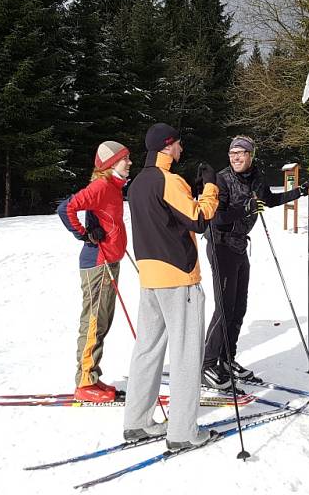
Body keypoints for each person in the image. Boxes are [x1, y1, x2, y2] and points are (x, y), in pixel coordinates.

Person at [122, 122, 220, 449]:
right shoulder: (169, 180)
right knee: (186, 353)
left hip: (150, 277)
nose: (181, 149)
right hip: (179, 278)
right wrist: (210, 186)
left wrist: (189, 188)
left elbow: (167, 215)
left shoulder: (137, 183)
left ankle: (137, 422)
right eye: (178, 144)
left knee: (147, 349)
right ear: (167, 146)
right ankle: (183, 433)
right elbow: (199, 219)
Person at [201, 135, 309, 389]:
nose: (236, 157)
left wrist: (299, 192)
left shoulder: (256, 177)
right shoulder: (221, 179)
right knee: (224, 307)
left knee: (239, 306)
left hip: (239, 245)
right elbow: (217, 219)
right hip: (220, 245)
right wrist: (246, 208)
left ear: (251, 155)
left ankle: (227, 360)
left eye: (241, 153)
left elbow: (268, 201)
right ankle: (207, 365)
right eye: (232, 153)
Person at [58, 141, 132, 403]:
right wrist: (84, 234)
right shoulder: (101, 186)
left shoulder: (112, 187)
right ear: (111, 163)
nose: (130, 162)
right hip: (98, 264)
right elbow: (65, 208)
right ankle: (84, 382)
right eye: (125, 159)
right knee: (93, 322)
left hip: (109, 262)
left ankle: (91, 376)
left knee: (102, 322)